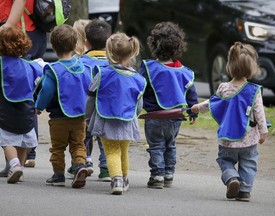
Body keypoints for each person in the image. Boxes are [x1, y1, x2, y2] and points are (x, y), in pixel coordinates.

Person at [191, 42, 269, 202]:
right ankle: (245, 191)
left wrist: (197, 108)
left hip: (227, 140)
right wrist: (263, 131)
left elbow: (211, 103)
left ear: (229, 66)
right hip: (249, 139)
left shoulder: (224, 88)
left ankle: (232, 178)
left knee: (225, 160)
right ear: (252, 68)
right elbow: (259, 113)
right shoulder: (254, 91)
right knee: (248, 163)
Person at [138, 21, 198, 189]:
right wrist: (193, 113)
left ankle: (157, 175)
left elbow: (138, 86)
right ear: (179, 46)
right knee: (170, 145)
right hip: (176, 117)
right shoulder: (185, 72)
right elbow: (191, 95)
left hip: (154, 117)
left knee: (156, 146)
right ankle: (169, 174)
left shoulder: (149, 68)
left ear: (154, 45)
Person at [86, 32, 146, 195]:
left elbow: (91, 97)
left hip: (105, 119)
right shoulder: (137, 78)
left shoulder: (102, 73)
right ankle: (124, 178)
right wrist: (135, 115)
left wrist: (88, 117)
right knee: (123, 150)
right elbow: (139, 104)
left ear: (109, 52)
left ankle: (116, 180)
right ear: (132, 51)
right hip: (127, 119)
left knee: (111, 151)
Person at [35, 24, 91, 188]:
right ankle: (80, 165)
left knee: (58, 148)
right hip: (80, 116)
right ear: (75, 46)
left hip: (59, 117)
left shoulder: (53, 70)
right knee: (78, 145)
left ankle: (58, 175)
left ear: (53, 46)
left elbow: (46, 91)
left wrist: (39, 106)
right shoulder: (84, 67)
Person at [0, 0, 47, 174]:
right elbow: (41, 74)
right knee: (26, 136)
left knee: (6, 138)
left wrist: (8, 25)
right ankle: (20, 164)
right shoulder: (34, 66)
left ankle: (13, 164)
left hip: (18, 27)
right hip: (29, 30)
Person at [67, 19, 112, 181]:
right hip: (106, 110)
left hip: (84, 109)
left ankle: (82, 163)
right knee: (104, 140)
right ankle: (106, 169)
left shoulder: (79, 63)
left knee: (82, 138)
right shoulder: (113, 64)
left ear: (86, 41)